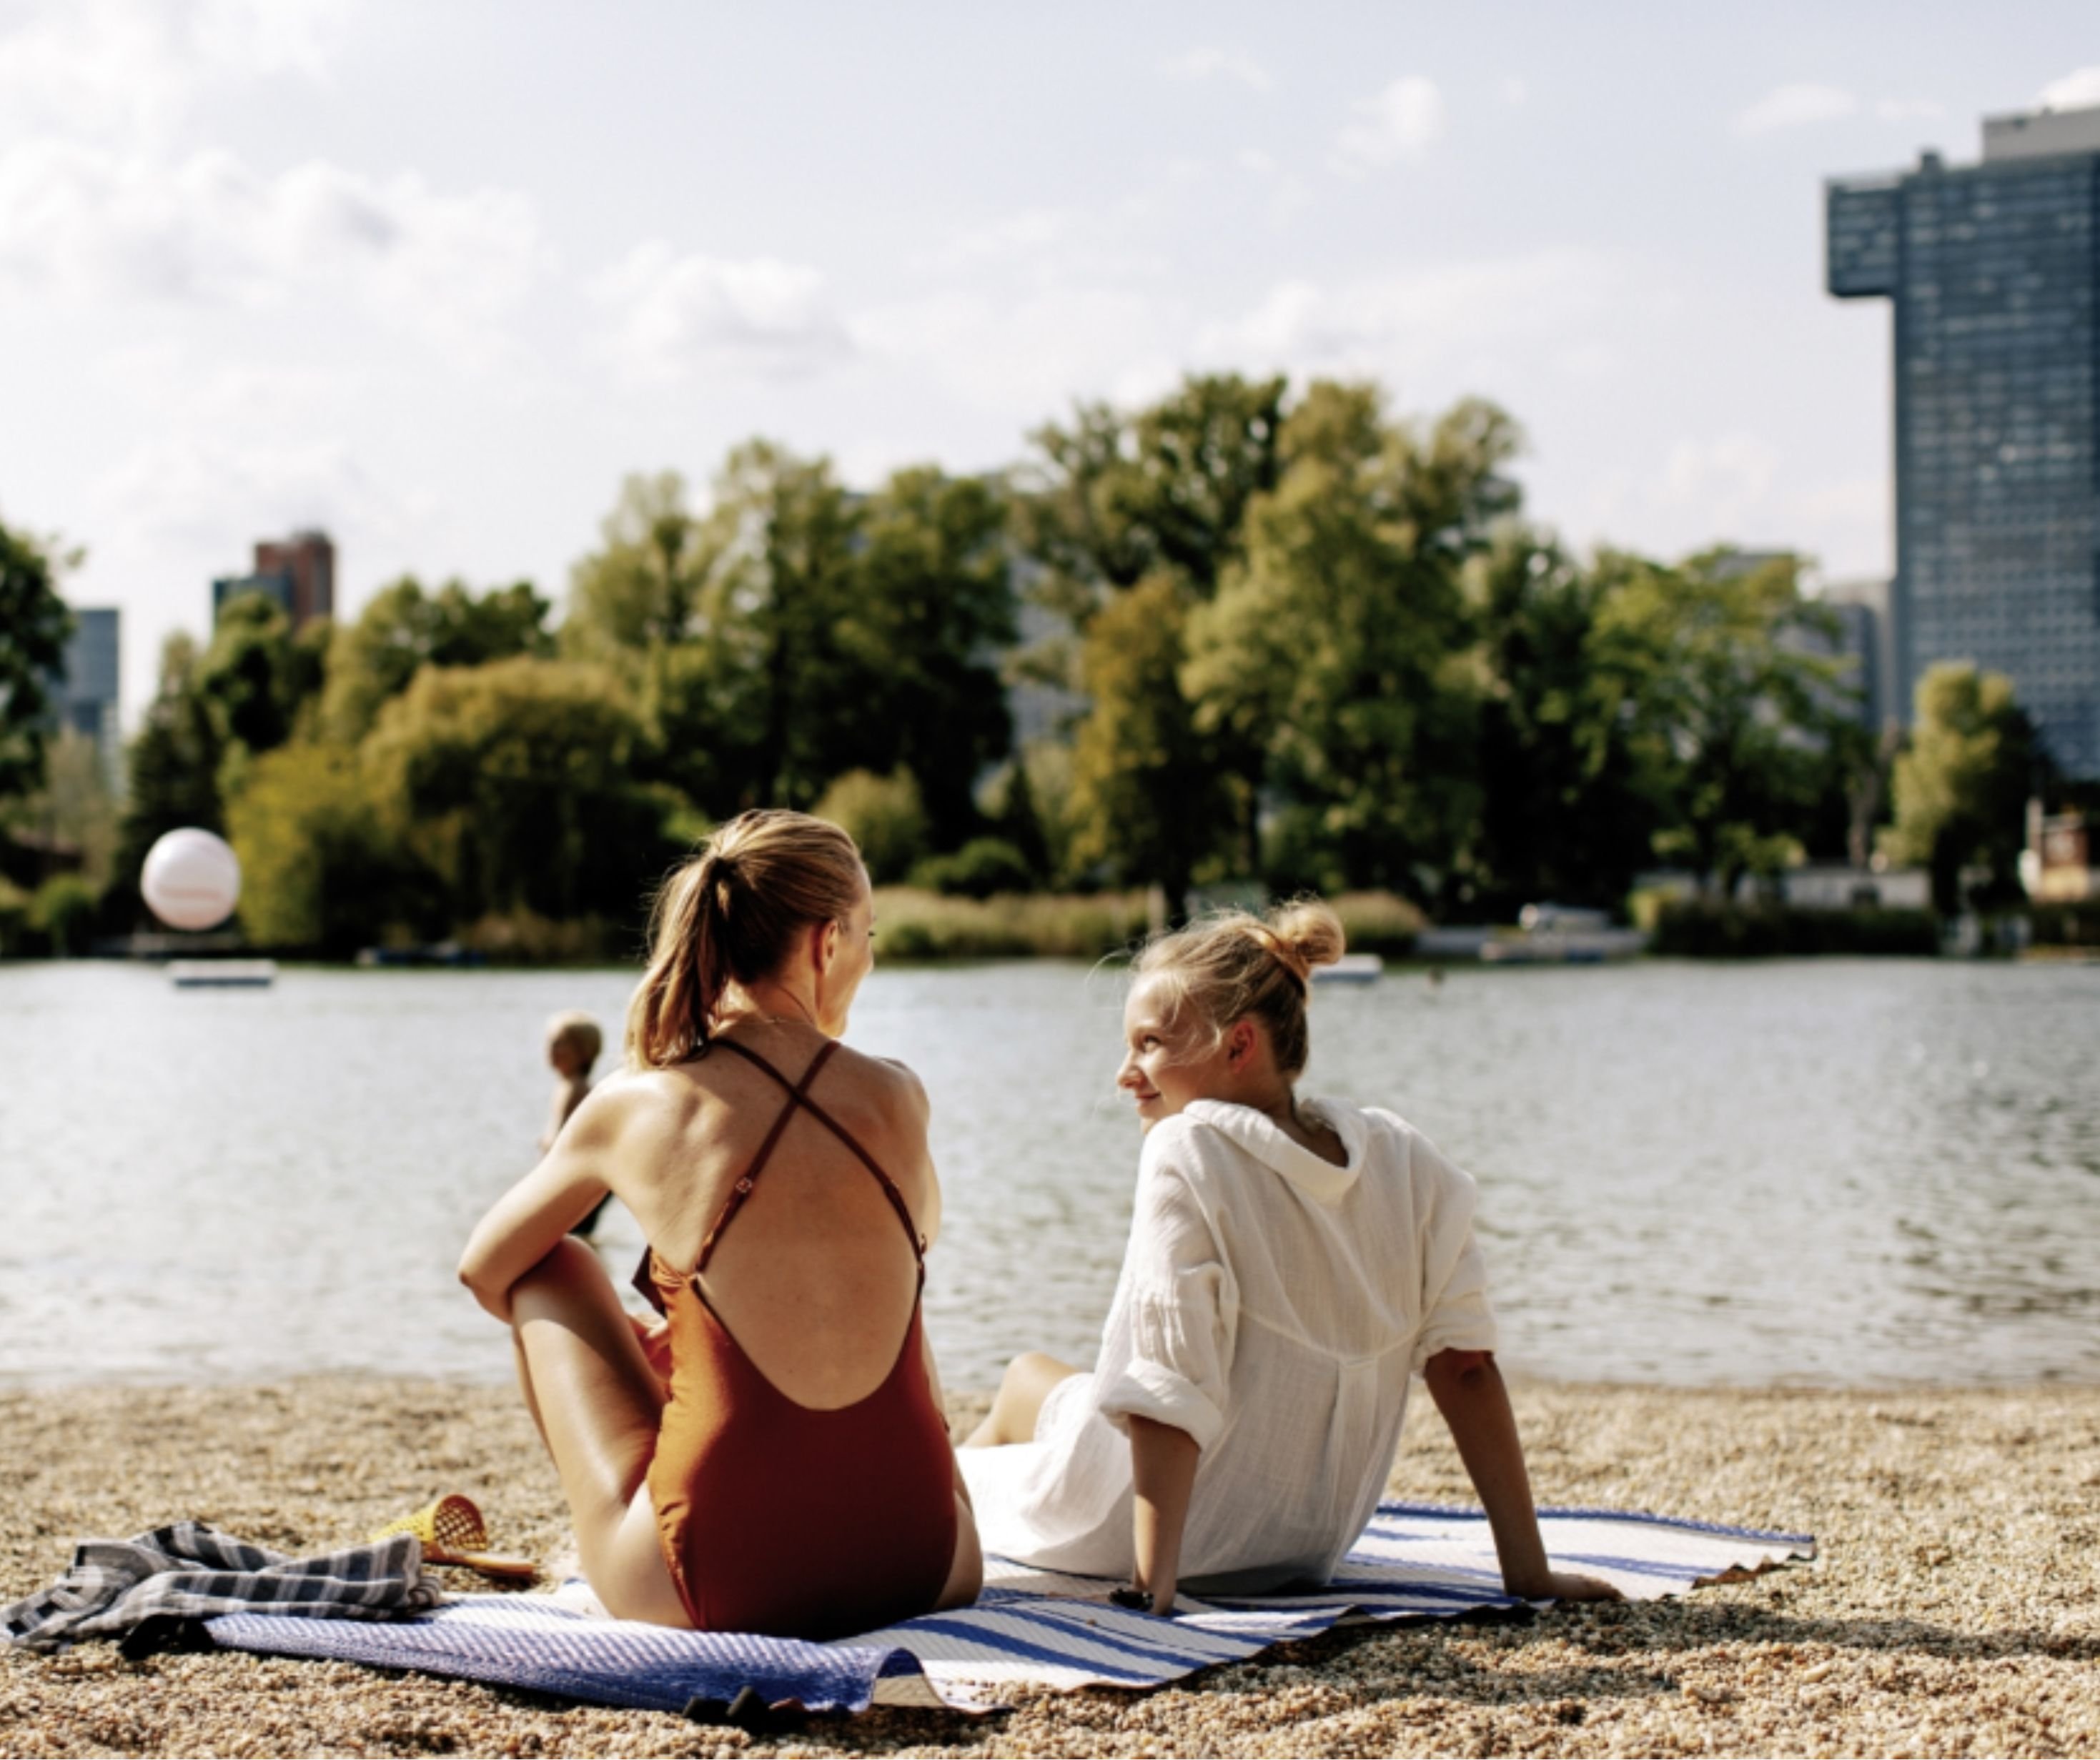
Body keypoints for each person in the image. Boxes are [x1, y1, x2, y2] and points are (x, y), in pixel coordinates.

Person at [959, 900, 1622, 1615]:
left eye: (1149, 1043)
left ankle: (963, 1463)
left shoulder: (1189, 1148)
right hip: (1304, 1548)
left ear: (1238, 1045)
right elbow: (1465, 1366)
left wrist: (1153, 1590)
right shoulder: (1403, 1158)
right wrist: (1529, 1573)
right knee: (1039, 1384)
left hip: (1142, 1529)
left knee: (1005, 1411)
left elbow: (1166, 1385)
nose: (1125, 1073)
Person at [459, 810, 981, 1638]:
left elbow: (486, 1269)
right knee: (895, 1280)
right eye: (869, 935)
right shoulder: (900, 1095)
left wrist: (648, 1352)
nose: (870, 957)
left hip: (718, 1582)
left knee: (552, 1265)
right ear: (827, 942)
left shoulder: (638, 1102)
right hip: (927, 1562)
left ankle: (630, 1511)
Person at [538, 1012, 610, 1238]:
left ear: (583, 1052)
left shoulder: (576, 1089)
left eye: (559, 1044)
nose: (551, 1050)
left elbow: (559, 1142)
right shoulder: (568, 1085)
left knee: (564, 1237)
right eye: (550, 1042)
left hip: (578, 1185)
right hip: (580, 1182)